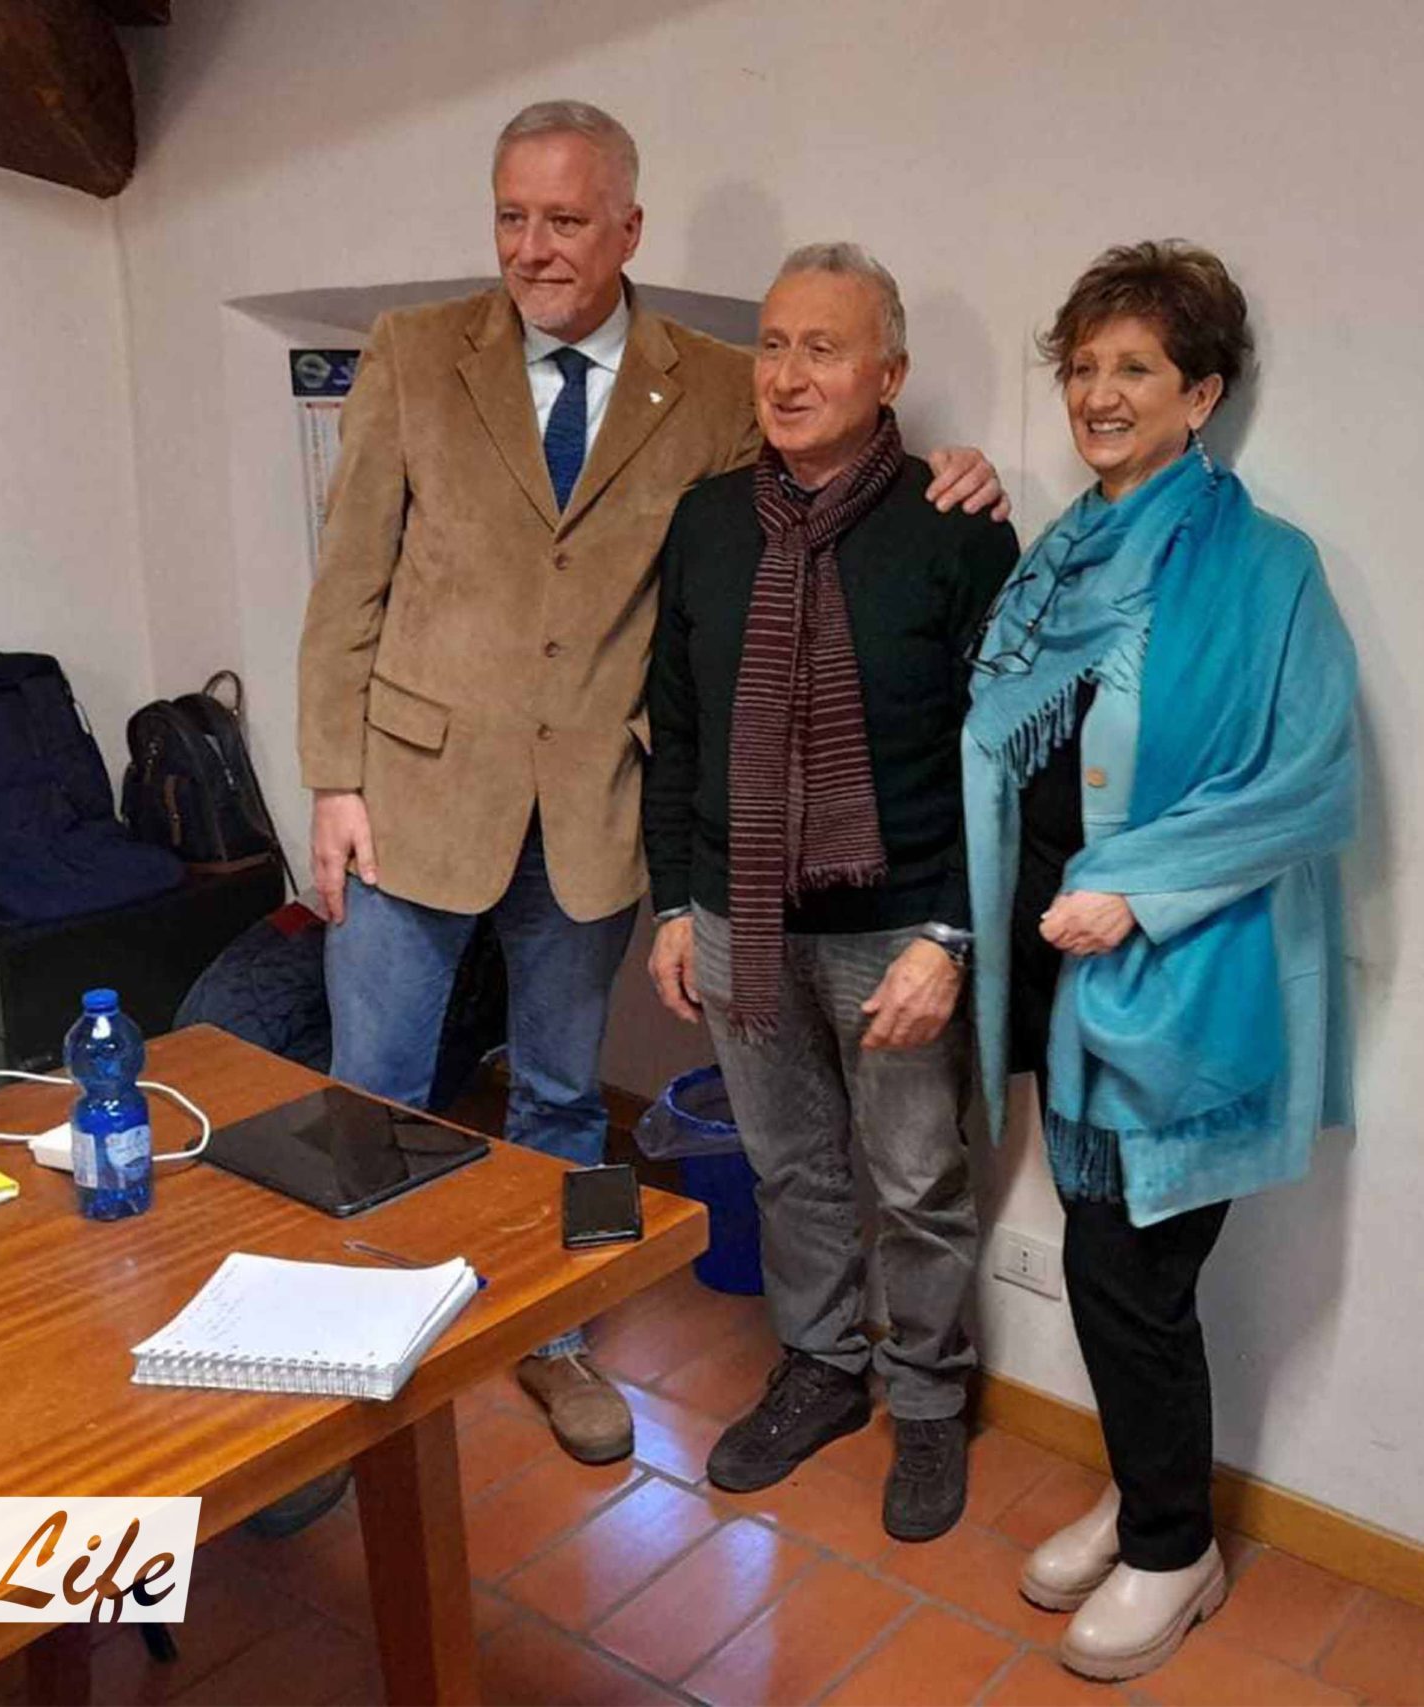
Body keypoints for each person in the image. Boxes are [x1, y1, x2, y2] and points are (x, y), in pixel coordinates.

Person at [297, 99, 1002, 1467]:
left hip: (589, 814)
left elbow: (826, 471)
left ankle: (552, 1336)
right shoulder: (412, 353)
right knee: (373, 1088)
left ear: (627, 227)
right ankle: (344, 1357)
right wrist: (333, 776)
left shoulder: (718, 383)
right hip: (409, 795)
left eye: (564, 219)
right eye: (511, 216)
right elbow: (348, 582)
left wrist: (957, 466)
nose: (533, 246)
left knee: (564, 1097)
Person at [962, 241, 1359, 1681]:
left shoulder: (1266, 567)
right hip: (1064, 975)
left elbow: (1309, 778)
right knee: (1104, 1258)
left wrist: (1134, 887)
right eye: (1082, 366)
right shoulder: (1057, 555)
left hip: (1185, 980)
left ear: (1201, 394)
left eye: (1135, 367)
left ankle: (1176, 1545)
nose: (1099, 393)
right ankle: (1146, 1494)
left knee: (1130, 1269)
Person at [643, 243, 1016, 1540]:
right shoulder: (705, 523)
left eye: (824, 347)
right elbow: (675, 730)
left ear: (888, 374)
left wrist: (951, 934)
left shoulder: (957, 529)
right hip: (739, 916)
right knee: (787, 1165)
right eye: (773, 344)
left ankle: (928, 1399)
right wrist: (673, 904)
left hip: (899, 926)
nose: (788, 374)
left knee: (917, 1182)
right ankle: (820, 1366)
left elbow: (1001, 758)